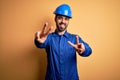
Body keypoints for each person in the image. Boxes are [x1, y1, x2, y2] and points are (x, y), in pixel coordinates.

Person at [34, 4, 92, 80]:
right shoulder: (49, 38)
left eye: (66, 19)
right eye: (60, 18)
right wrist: (38, 40)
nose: (63, 21)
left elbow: (89, 50)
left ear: (68, 21)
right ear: (55, 19)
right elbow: (40, 44)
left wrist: (84, 50)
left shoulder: (75, 38)